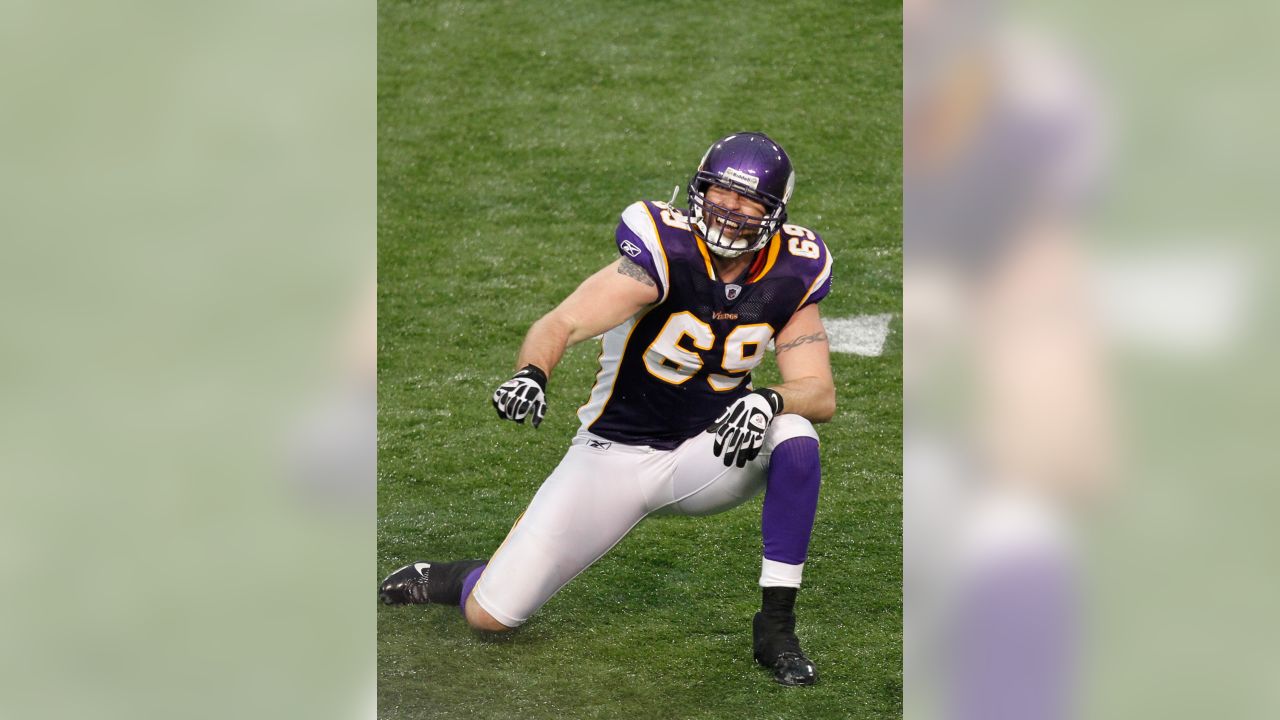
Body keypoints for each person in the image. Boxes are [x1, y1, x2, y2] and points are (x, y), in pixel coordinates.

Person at [380, 132, 836, 686]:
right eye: (719, 193)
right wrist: (533, 372)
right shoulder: (662, 253)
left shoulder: (792, 270)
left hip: (708, 452)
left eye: (748, 201)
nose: (728, 210)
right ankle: (462, 578)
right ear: (699, 189)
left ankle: (777, 628)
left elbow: (819, 393)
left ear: (774, 213)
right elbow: (561, 323)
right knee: (491, 616)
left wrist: (769, 397)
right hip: (611, 455)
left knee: (793, 431)